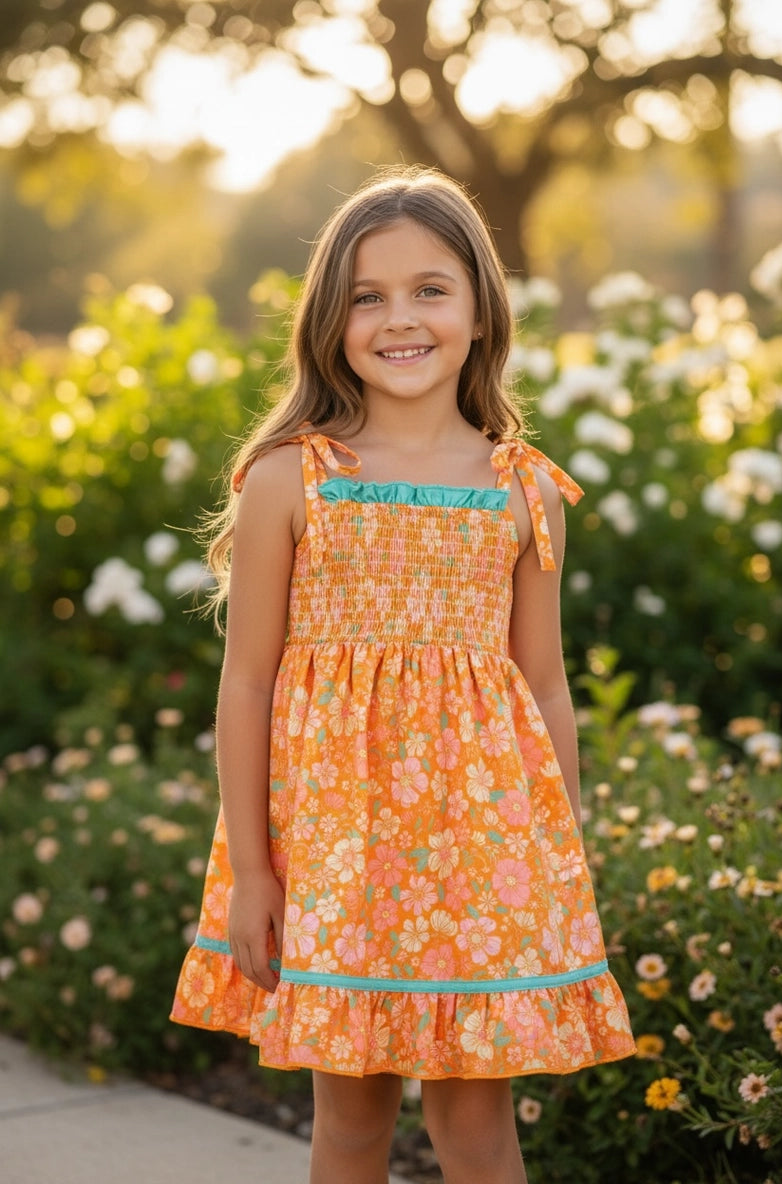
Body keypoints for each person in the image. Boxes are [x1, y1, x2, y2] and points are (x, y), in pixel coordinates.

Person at [171, 166, 635, 1184]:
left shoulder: (527, 491)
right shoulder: (293, 480)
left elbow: (544, 684)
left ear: (479, 308)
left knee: (475, 1126)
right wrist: (255, 870)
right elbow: (247, 683)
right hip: (335, 850)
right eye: (368, 296)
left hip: (485, 857)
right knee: (348, 1120)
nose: (399, 318)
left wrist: (559, 858)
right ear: (331, 320)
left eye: (430, 288)